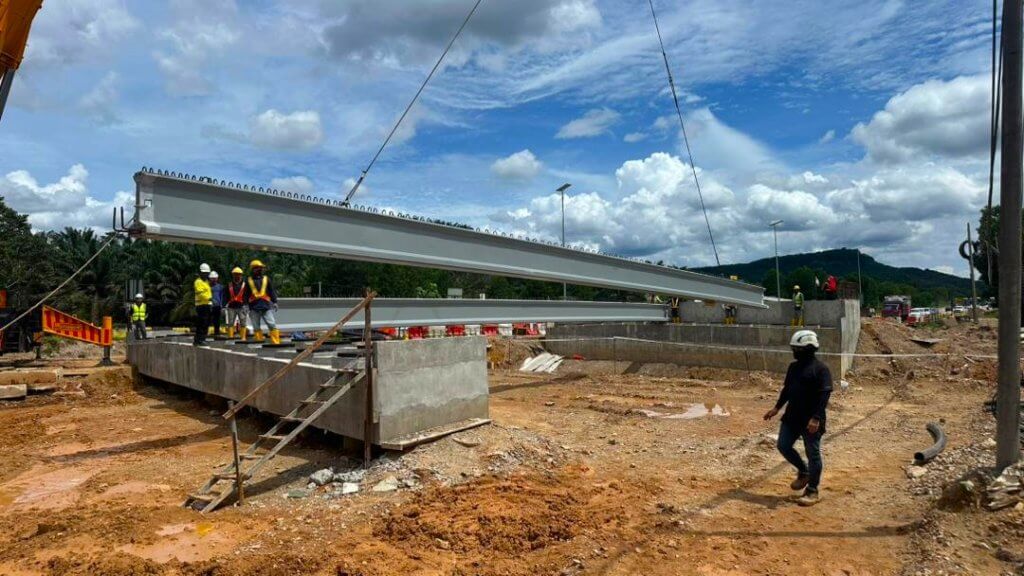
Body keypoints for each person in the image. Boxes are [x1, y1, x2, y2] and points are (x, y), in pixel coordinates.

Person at [763, 330, 833, 506]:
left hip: (811, 421)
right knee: (783, 445)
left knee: (813, 454)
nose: (794, 351)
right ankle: (804, 472)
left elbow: (824, 396)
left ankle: (812, 491)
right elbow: (787, 389)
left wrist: (816, 418)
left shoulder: (821, 370)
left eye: (797, 348)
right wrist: (776, 408)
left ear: (807, 349)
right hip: (792, 416)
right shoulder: (793, 367)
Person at [247, 259, 279, 344]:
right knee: (256, 327)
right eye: (258, 268)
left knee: (272, 325)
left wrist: (275, 302)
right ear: (253, 269)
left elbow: (271, 291)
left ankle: (275, 342)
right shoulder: (249, 280)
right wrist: (245, 305)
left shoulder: (266, 279)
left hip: (266, 306)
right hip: (254, 307)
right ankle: (259, 342)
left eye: (261, 268)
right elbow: (245, 294)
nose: (260, 269)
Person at [225, 266, 249, 340]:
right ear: (233, 275)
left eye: (238, 274)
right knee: (230, 323)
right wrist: (224, 305)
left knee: (243, 322)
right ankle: (230, 337)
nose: (237, 276)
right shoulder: (229, 285)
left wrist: (246, 305)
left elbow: (247, 295)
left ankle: (243, 337)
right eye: (235, 274)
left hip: (241, 307)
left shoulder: (245, 285)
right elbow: (225, 295)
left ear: (241, 275)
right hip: (231, 307)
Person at [194, 263, 213, 346]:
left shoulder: (206, 282)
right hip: (201, 305)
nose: (205, 274)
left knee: (206, 323)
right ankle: (199, 340)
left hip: (207, 305)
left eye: (207, 273)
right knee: (202, 323)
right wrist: (209, 298)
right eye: (204, 273)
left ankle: (202, 339)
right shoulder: (198, 282)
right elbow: (201, 294)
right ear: (200, 273)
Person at [209, 270, 224, 337]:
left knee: (217, 320)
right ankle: (205, 332)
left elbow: (222, 296)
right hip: (209, 305)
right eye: (212, 278)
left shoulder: (220, 287)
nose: (214, 280)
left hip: (217, 306)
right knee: (207, 319)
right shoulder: (207, 286)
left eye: (215, 278)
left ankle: (216, 332)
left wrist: (221, 305)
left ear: (217, 278)